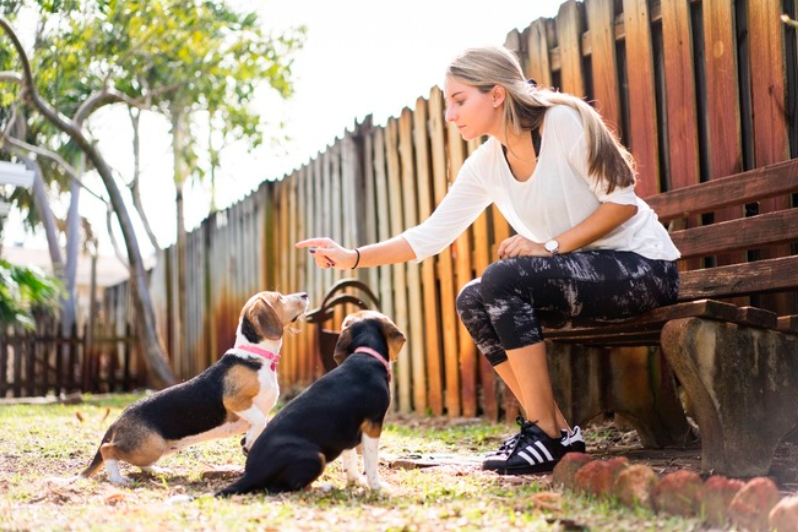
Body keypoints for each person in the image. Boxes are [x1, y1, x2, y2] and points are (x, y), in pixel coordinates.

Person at [296, 45, 680, 475]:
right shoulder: (485, 164)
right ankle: (554, 429)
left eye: (459, 101)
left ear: (497, 94)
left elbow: (622, 205)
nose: (450, 114)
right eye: (448, 103)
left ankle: (545, 435)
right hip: (579, 277)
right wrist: (352, 258)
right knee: (472, 298)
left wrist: (548, 245)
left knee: (501, 279)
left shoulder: (562, 122)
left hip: (642, 269)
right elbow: (431, 235)